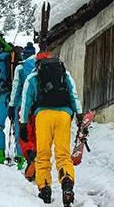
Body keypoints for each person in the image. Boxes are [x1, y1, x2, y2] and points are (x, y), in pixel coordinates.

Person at [19, 51, 82, 205]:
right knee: (63, 155)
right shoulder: (64, 75)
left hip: (43, 116)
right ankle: (67, 182)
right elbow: (73, 94)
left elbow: (25, 100)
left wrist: (22, 123)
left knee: (43, 154)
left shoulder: (32, 77)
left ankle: (45, 188)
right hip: (64, 116)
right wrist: (79, 114)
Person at [10, 42, 37, 178]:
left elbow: (16, 88)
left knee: (23, 132)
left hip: (23, 105)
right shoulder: (39, 66)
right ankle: (37, 159)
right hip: (37, 107)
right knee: (35, 134)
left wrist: (11, 105)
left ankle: (23, 159)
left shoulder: (20, 67)